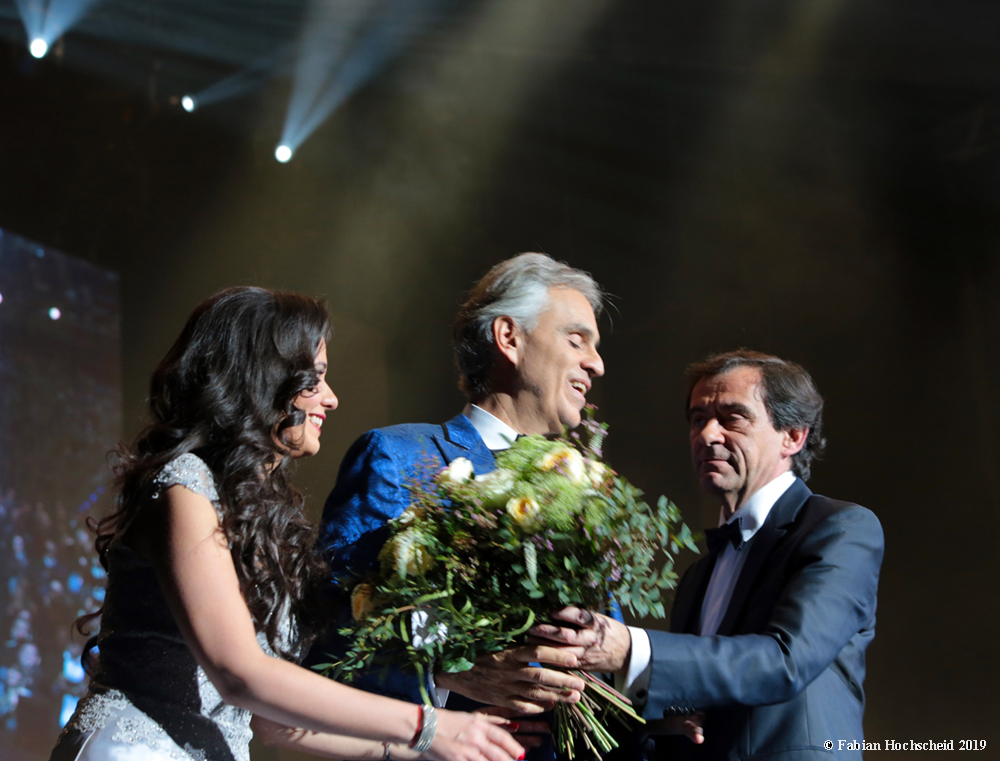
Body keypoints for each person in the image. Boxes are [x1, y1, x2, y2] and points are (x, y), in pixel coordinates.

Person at [49, 287, 524, 761]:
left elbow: (271, 722)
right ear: (261, 379)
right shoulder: (184, 485)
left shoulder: (254, 514)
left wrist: (432, 749)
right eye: (314, 381)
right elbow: (240, 674)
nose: (331, 399)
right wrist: (427, 725)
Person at [530, 350, 885, 760]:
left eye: (732, 418)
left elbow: (785, 661)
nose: (707, 435)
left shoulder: (840, 528)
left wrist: (629, 649)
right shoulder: (699, 575)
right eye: (698, 419)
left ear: (793, 436)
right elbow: (696, 701)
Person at [306, 253, 611, 717]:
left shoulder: (587, 495)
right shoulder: (399, 457)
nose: (597, 364)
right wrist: (445, 673)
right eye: (576, 340)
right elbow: (329, 637)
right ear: (509, 337)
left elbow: (603, 655)